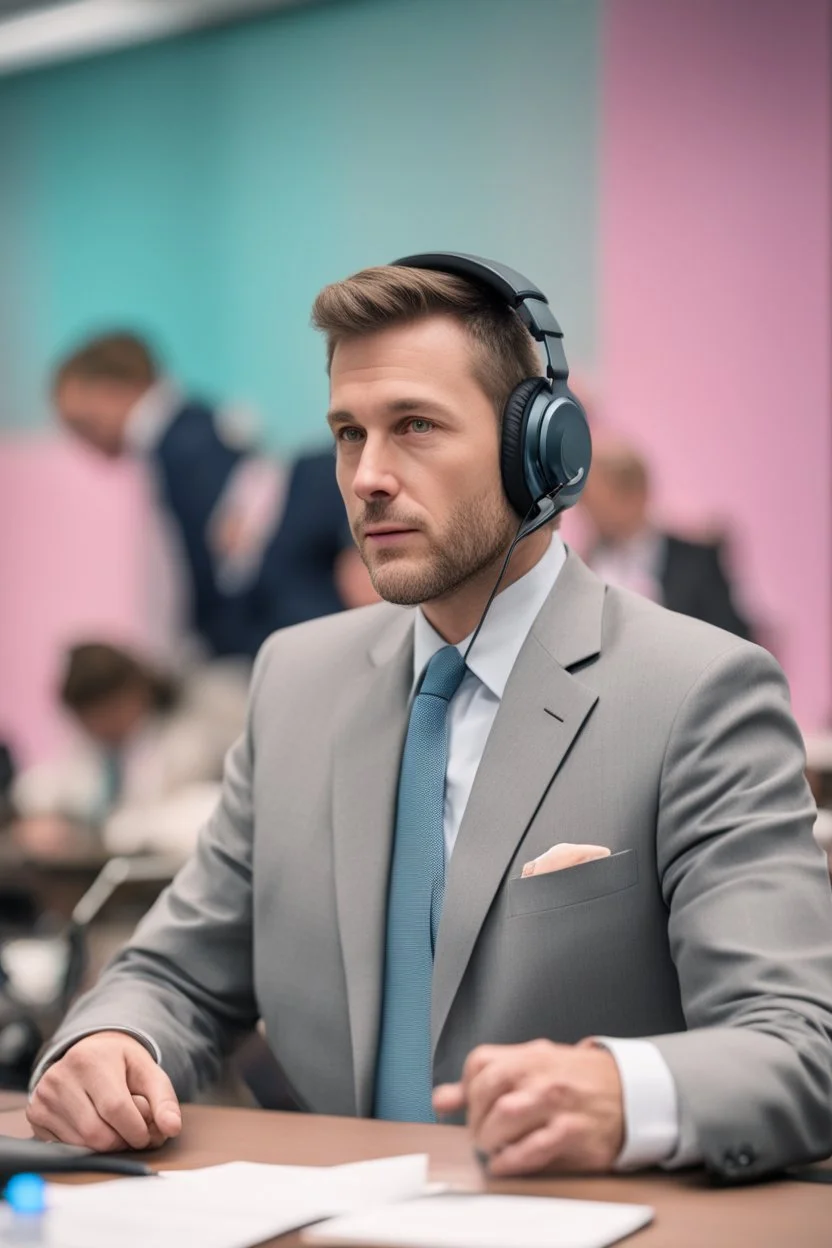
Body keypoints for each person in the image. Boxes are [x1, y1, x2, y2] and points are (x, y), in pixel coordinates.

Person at [28, 256, 832, 1182]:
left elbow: (799, 1045)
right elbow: (174, 973)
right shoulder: (295, 681)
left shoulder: (700, 692)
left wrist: (629, 1091)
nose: (367, 477)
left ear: (541, 452)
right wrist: (109, 1040)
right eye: (346, 433)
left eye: (414, 426)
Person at [52, 333, 371, 660]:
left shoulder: (177, 443)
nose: (86, 445)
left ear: (112, 389)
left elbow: (209, 559)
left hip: (280, 602)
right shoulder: (193, 429)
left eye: (83, 424)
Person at [13, 643, 247, 860]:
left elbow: (186, 819)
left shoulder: (187, 746)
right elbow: (43, 786)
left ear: (137, 693)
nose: (100, 725)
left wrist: (102, 833)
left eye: (108, 710)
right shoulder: (90, 750)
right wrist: (40, 815)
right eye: (87, 719)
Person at [579, 433, 755, 639]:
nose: (587, 511)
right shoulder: (584, 563)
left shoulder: (696, 561)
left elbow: (732, 638)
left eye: (596, 500)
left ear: (635, 494)